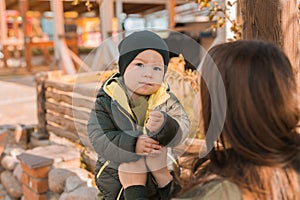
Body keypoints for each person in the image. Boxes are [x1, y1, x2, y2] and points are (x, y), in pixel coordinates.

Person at [118, 40, 300, 199]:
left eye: (199, 89)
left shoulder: (223, 191)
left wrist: (134, 188)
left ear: (222, 104)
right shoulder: (286, 168)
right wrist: (164, 177)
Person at [88, 30, 190, 200]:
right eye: (139, 65)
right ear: (124, 68)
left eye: (157, 68)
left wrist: (166, 125)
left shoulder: (166, 99)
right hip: (117, 187)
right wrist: (132, 144)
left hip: (159, 183)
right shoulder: (107, 100)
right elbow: (99, 137)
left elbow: (183, 127)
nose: (148, 73)